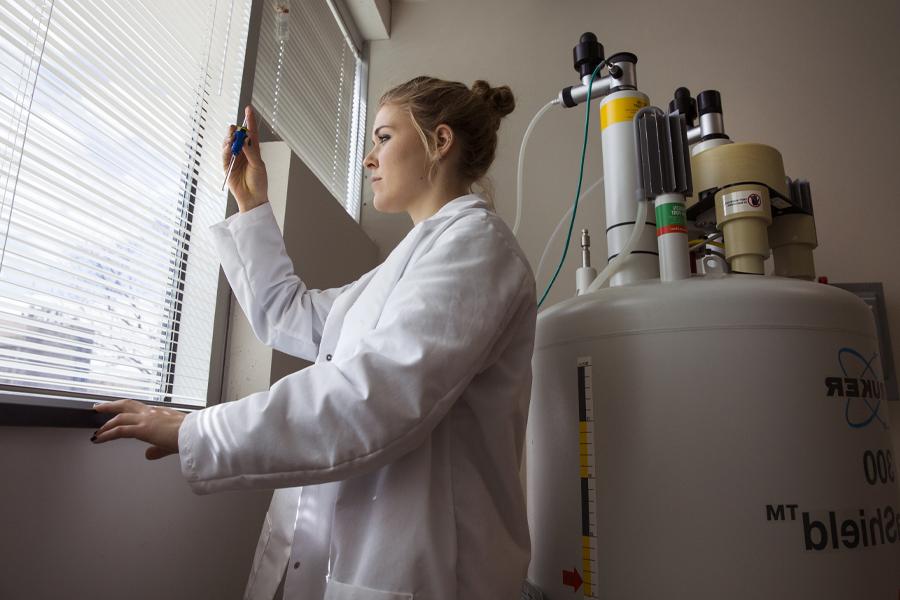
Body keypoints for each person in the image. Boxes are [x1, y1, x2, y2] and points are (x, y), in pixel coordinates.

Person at [92, 76, 537, 600]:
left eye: (384, 138)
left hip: (438, 572)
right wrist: (252, 202)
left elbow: (370, 399)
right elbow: (289, 314)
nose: (369, 159)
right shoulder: (405, 265)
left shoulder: (475, 249)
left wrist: (199, 430)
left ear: (440, 141)